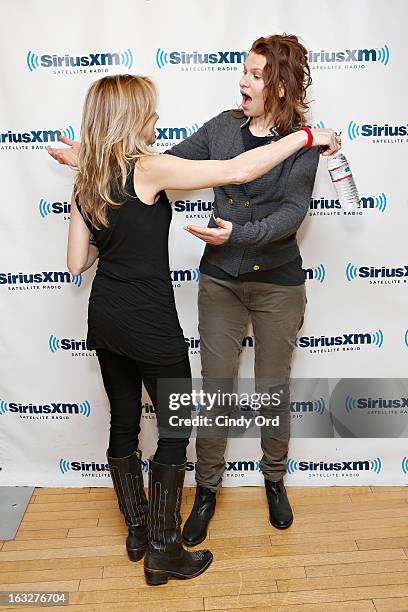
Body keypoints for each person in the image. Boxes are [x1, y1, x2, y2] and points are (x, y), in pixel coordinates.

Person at [48, 40, 340, 560]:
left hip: (131, 312)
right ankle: (178, 529)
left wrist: (92, 169)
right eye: (244, 72)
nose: (243, 82)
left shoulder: (94, 181)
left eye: (253, 74)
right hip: (178, 304)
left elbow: (76, 264)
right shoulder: (178, 154)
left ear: (277, 83)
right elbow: (224, 169)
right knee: (184, 421)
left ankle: (155, 527)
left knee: (134, 419)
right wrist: (310, 136)